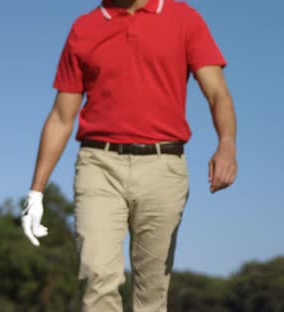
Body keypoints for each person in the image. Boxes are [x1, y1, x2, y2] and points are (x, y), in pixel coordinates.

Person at [21, 0, 237, 311]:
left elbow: (218, 93)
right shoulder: (85, 28)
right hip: (99, 165)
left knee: (151, 293)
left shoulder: (184, 19)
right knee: (97, 277)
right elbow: (61, 117)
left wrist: (226, 143)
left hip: (163, 166)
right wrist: (36, 191)